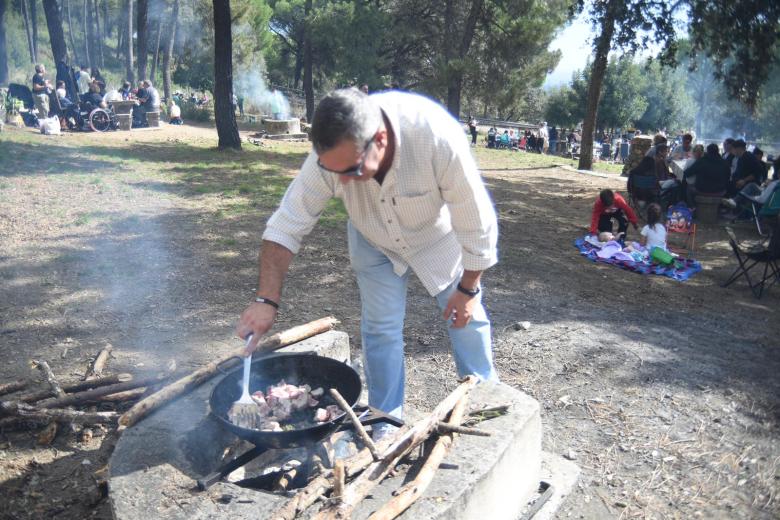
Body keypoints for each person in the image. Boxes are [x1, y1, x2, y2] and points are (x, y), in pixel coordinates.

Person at [236, 88, 499, 432]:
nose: (342, 182)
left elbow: (476, 222)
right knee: (380, 331)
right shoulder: (332, 156)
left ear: (381, 138)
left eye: (352, 169)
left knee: (467, 319)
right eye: (335, 172)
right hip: (372, 236)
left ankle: (487, 411)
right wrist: (265, 300)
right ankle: (385, 422)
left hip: (436, 237)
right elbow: (286, 225)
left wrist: (467, 289)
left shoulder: (435, 136)